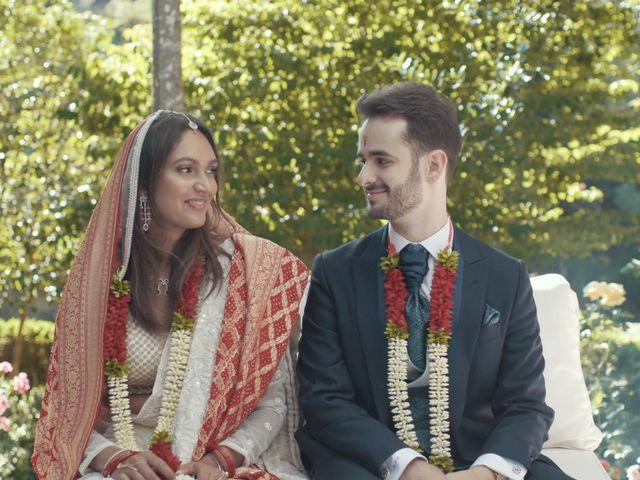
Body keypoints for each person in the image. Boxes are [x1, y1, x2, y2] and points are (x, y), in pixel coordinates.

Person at [296, 82, 573, 480]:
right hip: (371, 465)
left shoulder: (505, 276)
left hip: (476, 462)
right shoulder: (335, 272)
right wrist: (408, 467)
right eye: (363, 160)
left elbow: (526, 405)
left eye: (381, 161)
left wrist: (486, 473)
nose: (363, 176)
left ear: (434, 165)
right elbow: (324, 398)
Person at [32, 111, 310, 480]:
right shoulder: (99, 281)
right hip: (123, 464)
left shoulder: (243, 273)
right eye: (185, 170)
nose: (206, 186)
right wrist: (114, 458)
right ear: (144, 184)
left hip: (213, 462)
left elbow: (272, 401)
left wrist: (221, 460)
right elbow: (69, 409)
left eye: (210, 171)